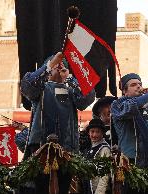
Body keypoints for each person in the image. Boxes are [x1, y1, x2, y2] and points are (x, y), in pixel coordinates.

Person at [20, 52, 96, 194]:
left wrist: (70, 77)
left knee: (63, 188)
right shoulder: (40, 88)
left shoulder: (71, 90)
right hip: (40, 147)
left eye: (62, 66)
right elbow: (27, 87)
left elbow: (88, 99)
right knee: (41, 188)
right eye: (56, 65)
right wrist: (50, 64)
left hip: (68, 148)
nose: (58, 67)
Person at [81, 119, 111, 194]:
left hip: (98, 190)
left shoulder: (105, 149)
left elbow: (105, 176)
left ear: (102, 133)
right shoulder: (90, 146)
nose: (94, 135)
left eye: (98, 132)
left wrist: (99, 192)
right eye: (92, 131)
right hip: (89, 188)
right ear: (88, 132)